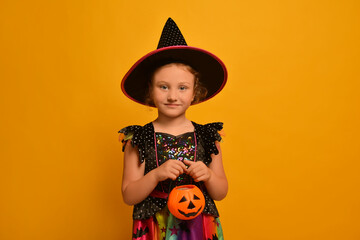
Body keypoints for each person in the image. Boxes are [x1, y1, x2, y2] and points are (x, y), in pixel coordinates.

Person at [119, 18, 228, 240]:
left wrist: (207, 175)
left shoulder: (207, 136)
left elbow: (221, 191)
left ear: (195, 92)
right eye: (164, 87)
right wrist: (155, 175)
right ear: (150, 90)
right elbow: (129, 195)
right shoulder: (138, 139)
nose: (172, 96)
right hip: (155, 226)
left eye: (182, 88)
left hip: (198, 226)